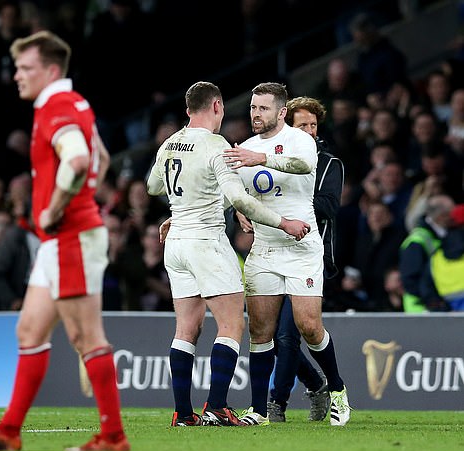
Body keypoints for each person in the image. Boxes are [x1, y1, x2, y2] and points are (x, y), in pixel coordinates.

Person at [0, 30, 129, 451]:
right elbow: (100, 159)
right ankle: (9, 431)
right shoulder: (76, 103)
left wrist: (56, 205)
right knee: (29, 330)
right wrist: (82, 195)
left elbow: (80, 160)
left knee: (88, 338)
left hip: (69, 236)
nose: (17, 75)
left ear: (50, 70)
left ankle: (112, 436)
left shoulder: (55, 106)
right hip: (61, 240)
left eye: (25, 67)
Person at [147, 81, 310, 427]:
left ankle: (183, 413)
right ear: (217, 106)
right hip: (206, 241)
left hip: (176, 246)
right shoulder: (215, 145)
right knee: (232, 323)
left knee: (186, 328)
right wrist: (285, 223)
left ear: (188, 109)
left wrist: (180, 211)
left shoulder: (171, 142)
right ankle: (217, 405)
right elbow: (240, 200)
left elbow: (154, 186)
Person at [223, 82, 350, 426]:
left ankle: (337, 389)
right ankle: (260, 411)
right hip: (264, 248)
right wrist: (236, 208)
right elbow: (228, 189)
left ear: (281, 112)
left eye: (263, 108)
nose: (255, 114)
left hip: (301, 246)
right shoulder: (245, 147)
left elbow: (303, 166)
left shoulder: (301, 140)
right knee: (261, 332)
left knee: (308, 326)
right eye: (252, 108)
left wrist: (261, 158)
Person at [265, 96, 345, 423]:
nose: (310, 131)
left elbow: (328, 207)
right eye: (303, 125)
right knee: (269, 333)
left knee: (288, 334)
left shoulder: (328, 164)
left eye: (313, 125)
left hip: (310, 256)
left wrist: (290, 195)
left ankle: (275, 405)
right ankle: (315, 383)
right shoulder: (273, 159)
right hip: (272, 253)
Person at [399, 194, 455, 313]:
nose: (454, 217)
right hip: (421, 310)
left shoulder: (443, 236)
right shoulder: (417, 241)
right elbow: (410, 280)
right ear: (441, 217)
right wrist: (433, 302)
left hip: (438, 308)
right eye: (451, 214)